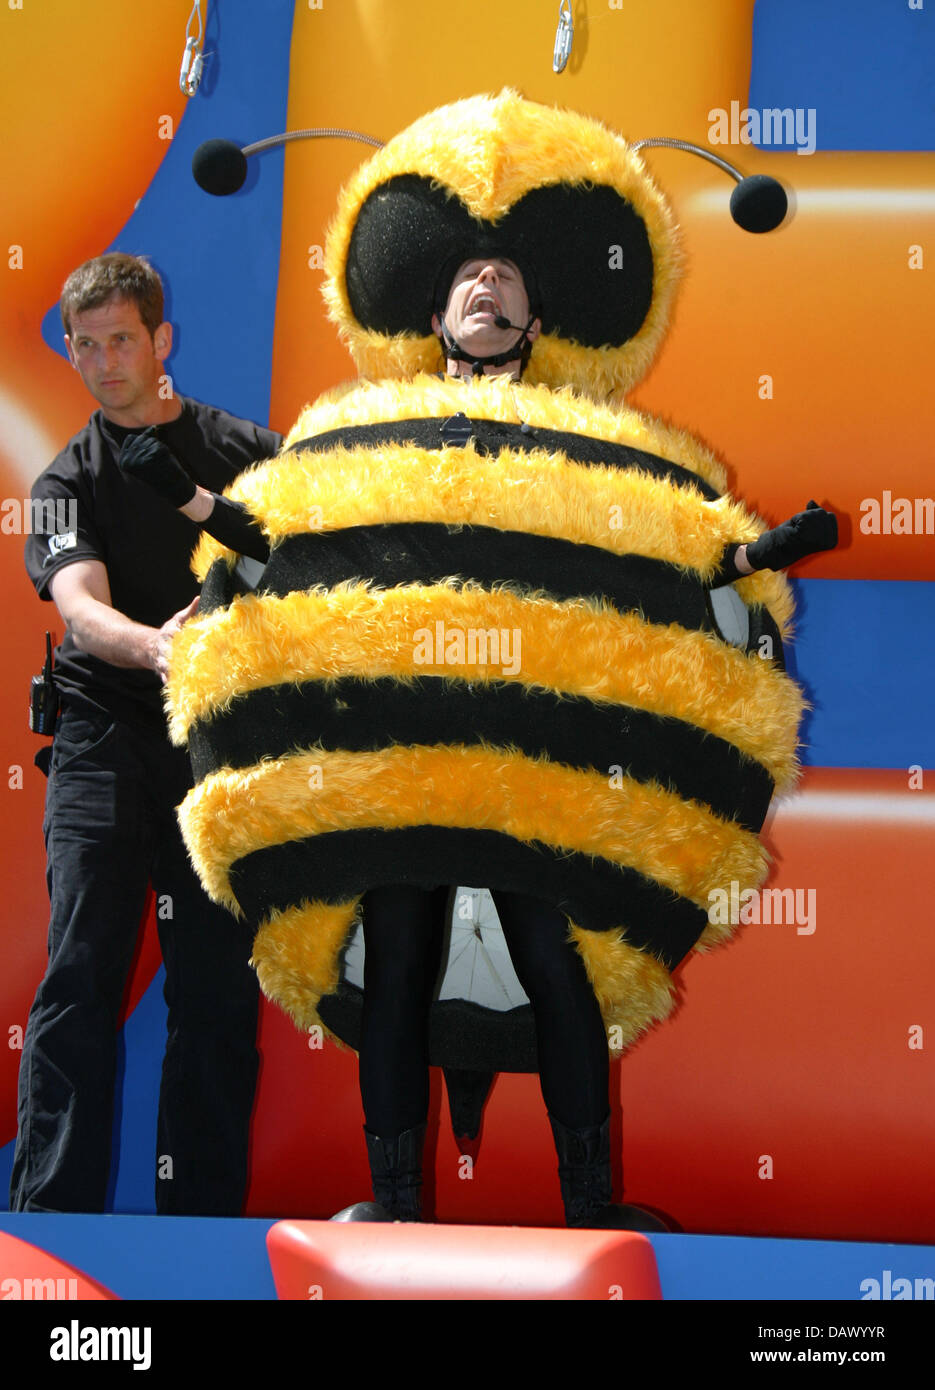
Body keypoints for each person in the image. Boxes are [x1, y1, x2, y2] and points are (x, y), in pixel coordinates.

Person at [126, 244, 836, 1228]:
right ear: (437, 320)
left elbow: (671, 555)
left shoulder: (586, 446)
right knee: (401, 952)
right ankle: (398, 1207)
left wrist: (742, 567)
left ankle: (589, 1210)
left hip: (526, 761)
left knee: (552, 956)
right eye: (469, 278)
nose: (487, 286)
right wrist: (211, 527)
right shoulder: (360, 435)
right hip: (407, 754)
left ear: (534, 324)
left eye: (507, 277)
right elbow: (273, 544)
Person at [11, 252, 283, 1215]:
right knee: (81, 972)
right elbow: (80, 607)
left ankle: (199, 1234)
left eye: (120, 339)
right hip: (102, 735)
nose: (102, 361)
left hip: (218, 743)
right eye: (84, 346)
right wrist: (154, 647)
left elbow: (310, 569)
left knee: (214, 989)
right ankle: (48, 1237)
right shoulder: (59, 480)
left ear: (161, 340)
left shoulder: (252, 454)